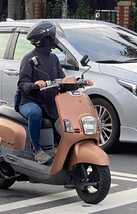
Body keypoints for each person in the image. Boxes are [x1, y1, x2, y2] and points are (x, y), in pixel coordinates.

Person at [18, 21, 92, 164]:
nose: (56, 38)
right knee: (35, 113)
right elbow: (22, 84)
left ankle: (69, 161)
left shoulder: (54, 58)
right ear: (46, 38)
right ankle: (37, 149)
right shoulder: (29, 59)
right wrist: (34, 85)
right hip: (30, 101)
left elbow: (62, 80)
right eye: (53, 35)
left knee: (66, 120)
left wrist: (79, 82)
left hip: (50, 102)